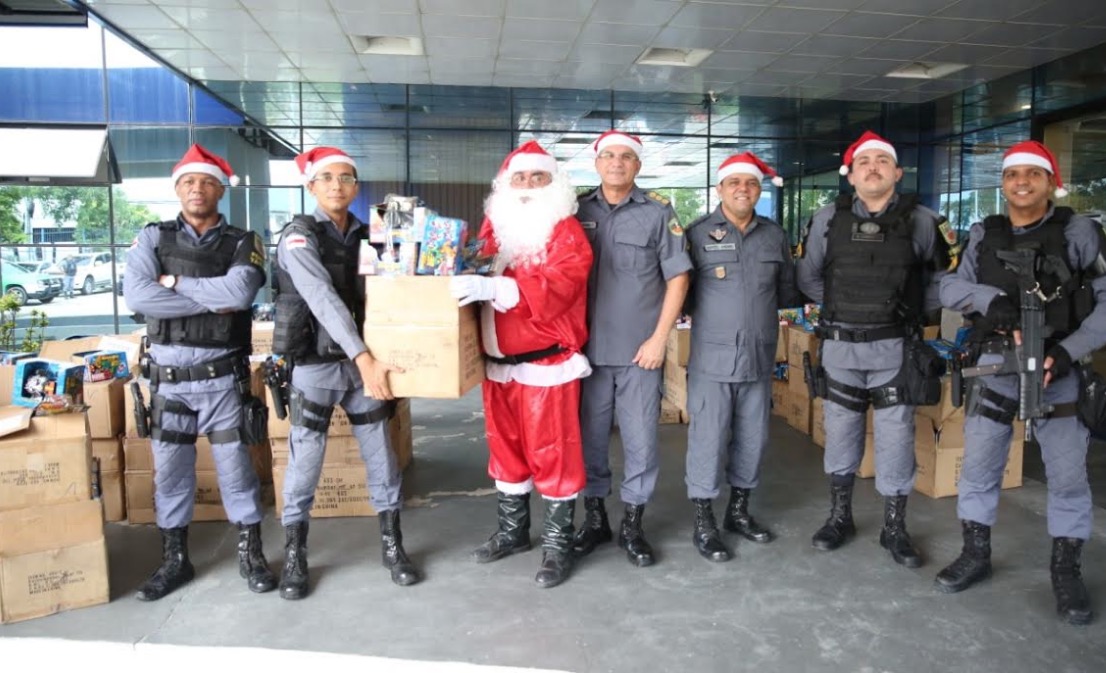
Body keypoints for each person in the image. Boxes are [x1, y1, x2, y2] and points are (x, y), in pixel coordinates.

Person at [936, 140, 1105, 625]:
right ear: (1003, 184)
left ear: (1051, 181)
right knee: (980, 467)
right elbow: (948, 286)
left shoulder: (1079, 233)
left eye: (1034, 174)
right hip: (996, 367)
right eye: (1013, 175)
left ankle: (1067, 572)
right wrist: (991, 302)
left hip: (1060, 371)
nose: (1022, 182)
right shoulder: (983, 234)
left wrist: (1067, 352)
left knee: (1069, 477)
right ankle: (976, 554)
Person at [795, 130, 955, 567]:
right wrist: (842, 309)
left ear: (897, 173)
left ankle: (894, 528)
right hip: (841, 350)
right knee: (841, 434)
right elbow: (808, 276)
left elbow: (942, 279)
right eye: (864, 161)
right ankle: (839, 517)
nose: (873, 167)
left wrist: (904, 314)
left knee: (896, 439)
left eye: (882, 161)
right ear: (852, 175)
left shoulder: (922, 220)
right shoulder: (828, 218)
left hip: (893, 352)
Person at [123, 144, 275, 600]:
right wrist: (213, 296)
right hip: (168, 384)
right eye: (188, 181)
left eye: (207, 180)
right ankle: (175, 561)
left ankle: (251, 555)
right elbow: (138, 298)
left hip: (222, 383)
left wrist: (173, 282)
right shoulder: (152, 238)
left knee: (237, 472)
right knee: (170, 474)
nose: (197, 188)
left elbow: (241, 292)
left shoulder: (244, 242)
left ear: (220, 189)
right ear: (177, 188)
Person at [271, 146, 417, 597]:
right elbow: (321, 298)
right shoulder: (298, 236)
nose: (338, 185)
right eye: (328, 178)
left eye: (347, 178)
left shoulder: (370, 231)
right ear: (311, 186)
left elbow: (400, 283)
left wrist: (409, 237)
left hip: (365, 365)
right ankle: (296, 555)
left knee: (382, 455)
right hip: (318, 364)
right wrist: (363, 357)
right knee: (306, 461)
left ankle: (393, 545)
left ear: (356, 186)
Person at [449, 141, 592, 588]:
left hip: (546, 366)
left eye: (538, 177)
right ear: (504, 186)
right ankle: (513, 533)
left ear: (554, 185)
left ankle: (557, 544)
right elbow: (470, 265)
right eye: (520, 178)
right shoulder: (494, 227)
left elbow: (564, 283)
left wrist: (497, 290)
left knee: (554, 454)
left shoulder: (566, 230)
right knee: (505, 451)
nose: (528, 186)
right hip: (498, 367)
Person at [573, 130, 692, 568]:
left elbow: (678, 277)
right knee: (589, 441)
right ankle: (596, 519)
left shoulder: (658, 212)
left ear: (637, 166)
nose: (617, 162)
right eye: (609, 155)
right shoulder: (576, 210)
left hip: (641, 352)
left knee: (642, 442)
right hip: (585, 353)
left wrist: (660, 338)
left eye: (626, 157)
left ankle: (633, 525)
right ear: (597, 163)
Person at [683, 153, 798, 562]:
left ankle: (738, 513)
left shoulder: (773, 236)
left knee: (753, 439)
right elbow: (683, 295)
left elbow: (786, 292)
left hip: (759, 357)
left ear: (759, 190)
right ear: (719, 189)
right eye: (734, 183)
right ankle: (704, 521)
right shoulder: (697, 235)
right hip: (712, 361)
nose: (742, 189)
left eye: (750, 183)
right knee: (708, 441)